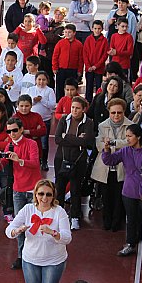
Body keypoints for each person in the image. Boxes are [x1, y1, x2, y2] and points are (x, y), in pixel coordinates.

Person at [6, 179, 72, 283]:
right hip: (30, 259)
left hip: (54, 261)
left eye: (48, 194)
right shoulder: (28, 209)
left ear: (53, 196)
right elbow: (9, 230)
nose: (44, 198)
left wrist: (53, 232)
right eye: (41, 194)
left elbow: (67, 237)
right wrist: (17, 230)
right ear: (35, 194)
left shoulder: (59, 212)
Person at [102, 124, 142, 257]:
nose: (127, 139)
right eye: (126, 136)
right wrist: (106, 150)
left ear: (138, 137)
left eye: (130, 136)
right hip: (128, 192)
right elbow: (110, 160)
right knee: (131, 220)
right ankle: (130, 244)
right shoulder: (125, 151)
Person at [0, 117, 41, 267]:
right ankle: (21, 256)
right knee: (20, 224)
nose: (12, 133)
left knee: (35, 224)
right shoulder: (9, 146)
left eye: (15, 130)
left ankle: (35, 255)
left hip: (33, 190)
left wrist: (19, 160)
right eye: (9, 131)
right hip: (17, 189)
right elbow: (1, 167)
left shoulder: (31, 143)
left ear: (21, 129)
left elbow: (35, 163)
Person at [91, 98, 132, 231]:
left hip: (122, 167)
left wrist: (112, 143)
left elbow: (129, 143)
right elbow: (99, 145)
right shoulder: (102, 125)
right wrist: (116, 144)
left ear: (124, 112)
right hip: (105, 168)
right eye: (113, 112)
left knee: (119, 198)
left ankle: (116, 223)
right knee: (106, 197)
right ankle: (106, 222)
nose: (116, 115)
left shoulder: (130, 125)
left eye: (119, 112)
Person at [54, 97, 95, 231]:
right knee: (59, 189)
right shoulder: (63, 119)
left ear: (83, 109)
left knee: (76, 190)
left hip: (79, 161)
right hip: (61, 158)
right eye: (72, 107)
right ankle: (57, 217)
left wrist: (67, 137)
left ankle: (75, 217)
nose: (74, 110)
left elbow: (86, 142)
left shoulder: (88, 122)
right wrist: (77, 140)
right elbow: (58, 139)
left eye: (77, 108)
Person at [52, 24, 84, 100]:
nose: (67, 34)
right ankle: (59, 101)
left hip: (73, 69)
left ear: (74, 33)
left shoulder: (79, 44)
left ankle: (73, 101)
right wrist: (55, 67)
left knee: (72, 86)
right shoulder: (60, 43)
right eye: (66, 32)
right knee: (60, 87)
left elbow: (81, 59)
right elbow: (55, 56)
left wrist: (80, 70)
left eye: (69, 32)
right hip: (61, 69)